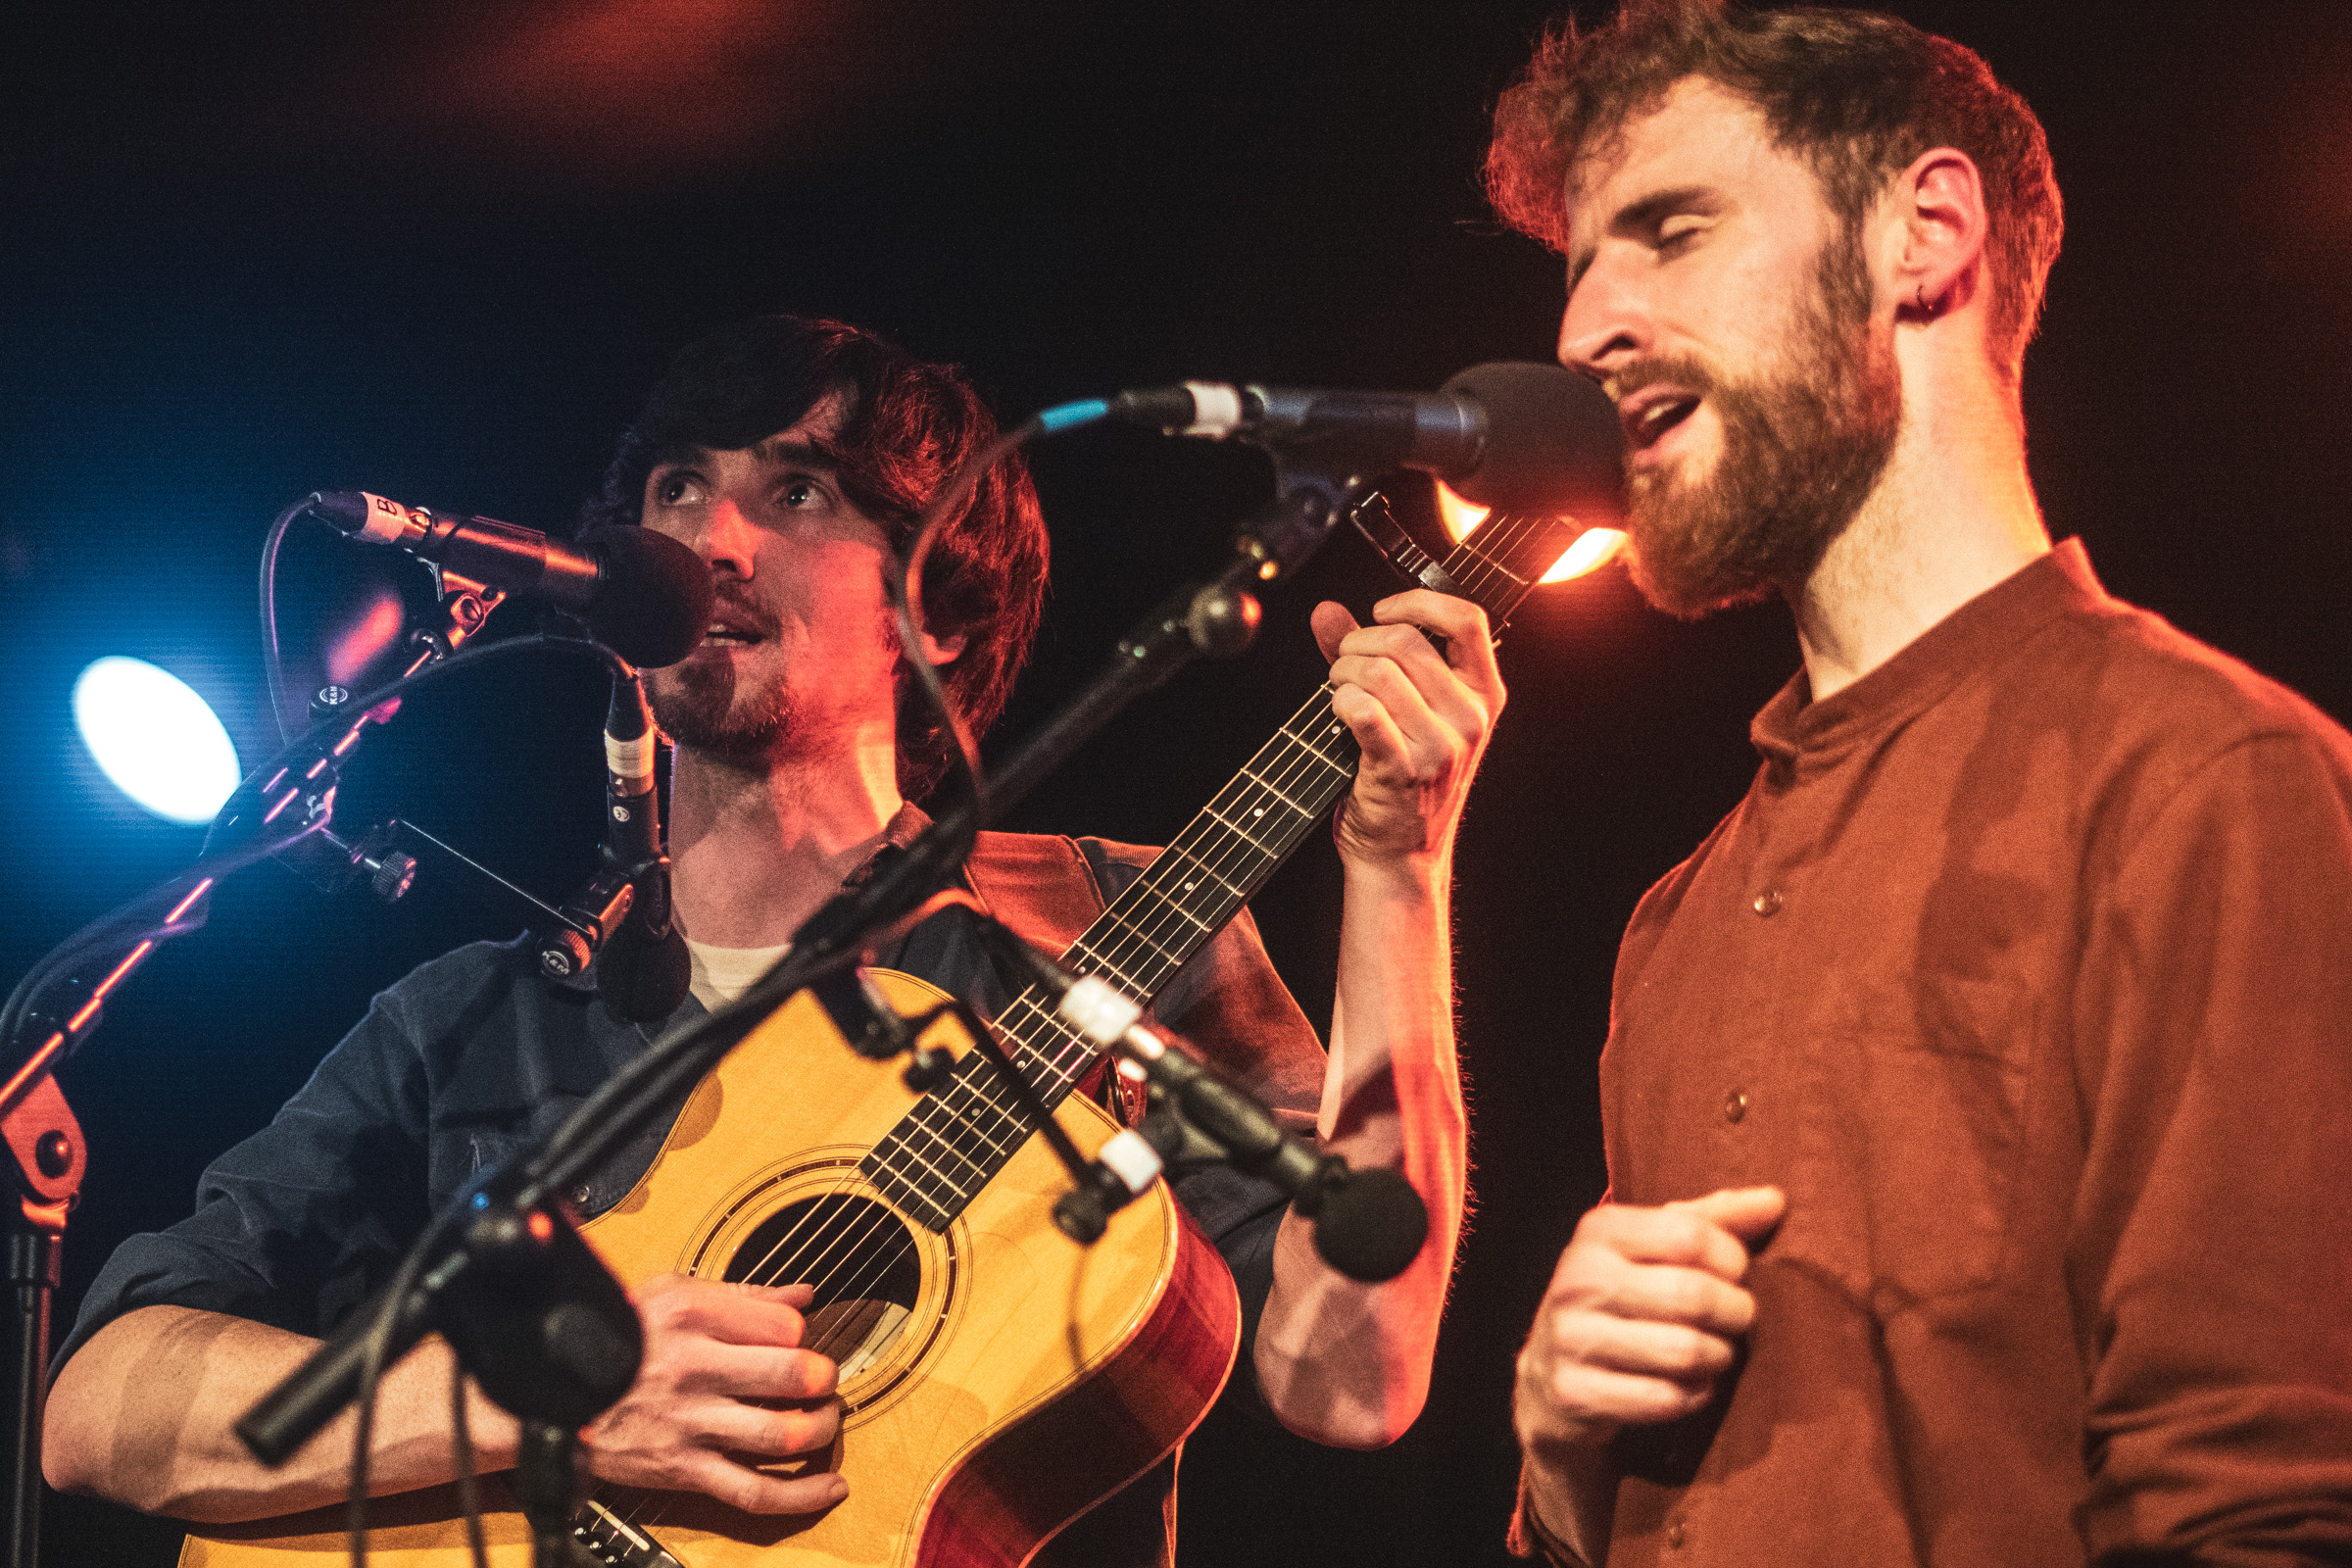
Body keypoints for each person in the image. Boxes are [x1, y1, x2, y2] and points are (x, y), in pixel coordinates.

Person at [42, 315, 1495, 1566]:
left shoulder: (1117, 924)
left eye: (799, 491)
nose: (712, 540)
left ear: (932, 602)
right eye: (679, 489)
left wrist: (1403, 867)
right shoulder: (468, 1022)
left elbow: (1355, 1377)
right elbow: (99, 1402)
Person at [1485, 4, 2352, 1565]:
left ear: (1922, 233)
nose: (1585, 331)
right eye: (1578, 270)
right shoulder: (1670, 925)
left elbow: (2257, 1509)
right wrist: (1557, 1473)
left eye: (1669, 232)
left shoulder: (2210, 780)